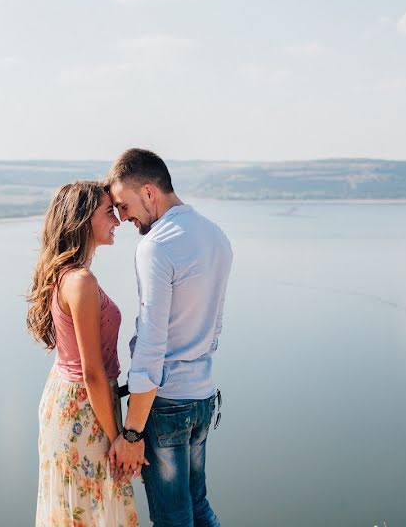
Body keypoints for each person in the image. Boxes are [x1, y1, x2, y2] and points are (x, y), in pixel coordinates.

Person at [106, 149, 232, 527]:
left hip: (167, 405)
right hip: (204, 397)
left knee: (173, 519)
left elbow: (151, 344)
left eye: (124, 206)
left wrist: (131, 432)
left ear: (148, 192)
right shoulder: (216, 235)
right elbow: (214, 329)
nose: (122, 217)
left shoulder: (156, 246)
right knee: (198, 506)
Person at [28, 180, 140, 527]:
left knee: (78, 507)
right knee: (93, 507)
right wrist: (120, 438)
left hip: (69, 400)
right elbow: (92, 372)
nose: (118, 221)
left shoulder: (66, 275)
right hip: (84, 407)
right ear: (83, 220)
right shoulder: (80, 281)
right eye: (109, 212)